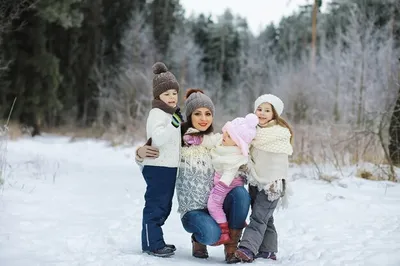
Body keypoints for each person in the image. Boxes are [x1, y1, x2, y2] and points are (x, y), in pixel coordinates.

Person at [136, 89, 250, 264]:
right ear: (189, 115)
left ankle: (231, 248)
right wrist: (140, 153)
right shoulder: (178, 139)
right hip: (193, 211)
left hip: (217, 205)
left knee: (241, 194)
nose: (203, 118)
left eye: (208, 113)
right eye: (197, 113)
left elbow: (243, 145)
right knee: (212, 234)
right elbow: (156, 153)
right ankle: (198, 240)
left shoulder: (218, 140)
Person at [235, 94, 293, 262]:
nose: (262, 113)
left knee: (258, 217)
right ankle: (268, 250)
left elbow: (278, 163)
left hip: (272, 184)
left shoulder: (279, 134)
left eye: (267, 110)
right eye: (259, 109)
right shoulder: (252, 132)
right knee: (264, 217)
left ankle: (247, 248)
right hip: (255, 181)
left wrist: (276, 182)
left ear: (274, 114)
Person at [139, 62, 183, 257]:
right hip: (158, 167)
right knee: (156, 205)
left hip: (168, 167)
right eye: (167, 94)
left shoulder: (170, 114)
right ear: (158, 96)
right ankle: (152, 243)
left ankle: (156, 241)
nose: (172, 97)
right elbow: (157, 139)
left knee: (164, 206)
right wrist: (174, 123)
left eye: (174, 93)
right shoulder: (157, 113)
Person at [203, 113, 258, 246]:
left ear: (238, 143)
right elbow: (210, 140)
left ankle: (223, 230)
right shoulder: (223, 143)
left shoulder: (236, 155)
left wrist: (220, 188)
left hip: (227, 184)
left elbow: (229, 172)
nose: (224, 137)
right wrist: (197, 140)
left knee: (213, 204)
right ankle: (234, 219)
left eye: (228, 136)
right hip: (221, 181)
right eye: (225, 133)